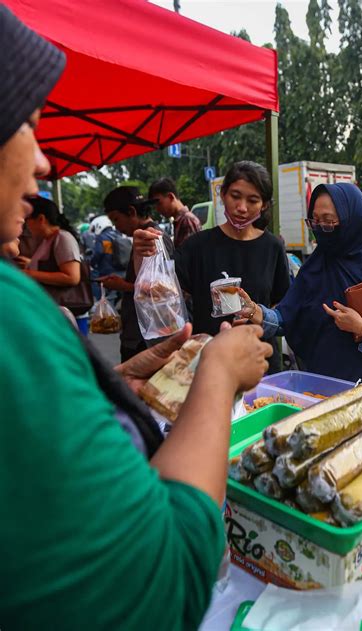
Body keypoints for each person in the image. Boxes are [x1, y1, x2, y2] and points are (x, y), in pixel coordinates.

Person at [0, 6, 273, 629]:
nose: (44, 165)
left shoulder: (273, 247)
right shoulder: (13, 317)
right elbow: (160, 578)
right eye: (26, 125)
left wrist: (117, 385)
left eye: (252, 200)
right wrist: (214, 375)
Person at [235, 183, 362, 387]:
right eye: (314, 221)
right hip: (319, 386)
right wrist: (256, 312)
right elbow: (287, 317)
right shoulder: (314, 266)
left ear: (352, 219)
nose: (320, 229)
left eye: (328, 221)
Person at [135, 161, 290, 373]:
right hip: (208, 364)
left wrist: (257, 313)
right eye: (235, 196)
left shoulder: (273, 247)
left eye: (252, 200)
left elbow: (284, 308)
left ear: (263, 205)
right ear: (222, 194)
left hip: (259, 362)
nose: (242, 208)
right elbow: (154, 291)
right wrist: (142, 253)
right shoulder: (197, 245)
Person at [100, 185, 174, 361]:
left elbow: (161, 291)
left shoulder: (153, 238)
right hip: (140, 333)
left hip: (148, 338)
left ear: (131, 211)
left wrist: (122, 286)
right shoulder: (142, 238)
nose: (116, 228)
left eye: (116, 219)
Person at [16, 196, 82, 305]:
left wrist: (28, 273)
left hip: (64, 309)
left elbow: (72, 277)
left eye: (27, 219)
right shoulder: (48, 240)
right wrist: (30, 263)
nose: (25, 224)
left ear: (41, 219)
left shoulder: (62, 238)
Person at [148, 176, 201, 248]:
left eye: (159, 203)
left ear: (170, 196)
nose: (157, 209)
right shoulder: (181, 221)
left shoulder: (187, 221)